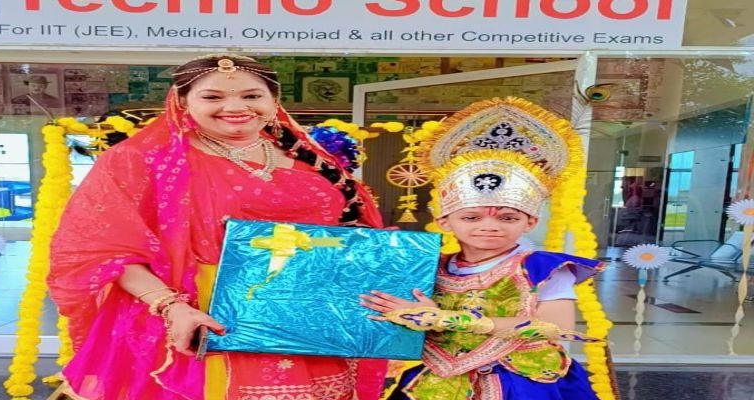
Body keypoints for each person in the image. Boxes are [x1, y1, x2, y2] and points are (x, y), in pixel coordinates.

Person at [47, 54, 387, 400]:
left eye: (252, 95)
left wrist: (388, 269)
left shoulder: (311, 160)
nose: (236, 107)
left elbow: (346, 235)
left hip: (307, 319)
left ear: (274, 100)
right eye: (213, 96)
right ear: (182, 101)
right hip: (202, 317)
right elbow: (104, 250)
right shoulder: (144, 159)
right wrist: (172, 307)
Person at [360, 97, 609, 399]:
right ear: (444, 221)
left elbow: (555, 327)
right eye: (471, 217)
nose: (490, 226)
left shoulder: (541, 268)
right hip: (440, 379)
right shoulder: (429, 265)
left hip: (523, 382)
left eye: (508, 218)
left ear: (530, 221)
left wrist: (446, 319)